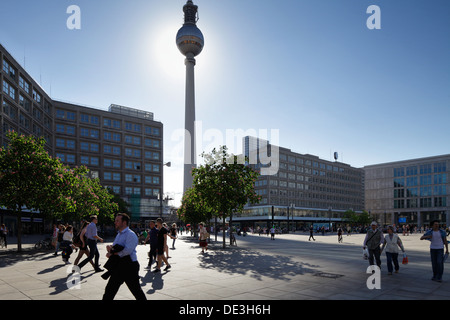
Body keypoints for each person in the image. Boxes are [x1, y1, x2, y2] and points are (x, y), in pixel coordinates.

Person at [102, 213, 147, 300]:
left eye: (117, 221)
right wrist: (110, 248)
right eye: (115, 220)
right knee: (109, 290)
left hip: (129, 266)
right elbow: (116, 247)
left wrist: (113, 253)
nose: (115, 222)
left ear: (124, 222)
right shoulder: (119, 234)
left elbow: (127, 250)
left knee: (136, 291)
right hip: (119, 265)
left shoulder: (131, 234)